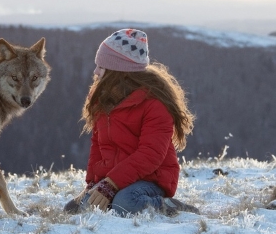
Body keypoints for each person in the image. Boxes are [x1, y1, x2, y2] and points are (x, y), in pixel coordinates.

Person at [64, 29, 199, 217]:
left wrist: (111, 184)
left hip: (150, 180)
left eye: (101, 67)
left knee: (125, 204)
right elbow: (98, 146)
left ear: (118, 72)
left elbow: (150, 155)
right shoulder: (103, 101)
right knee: (75, 209)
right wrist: (93, 185)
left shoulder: (154, 104)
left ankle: (171, 206)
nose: (95, 72)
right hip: (115, 179)